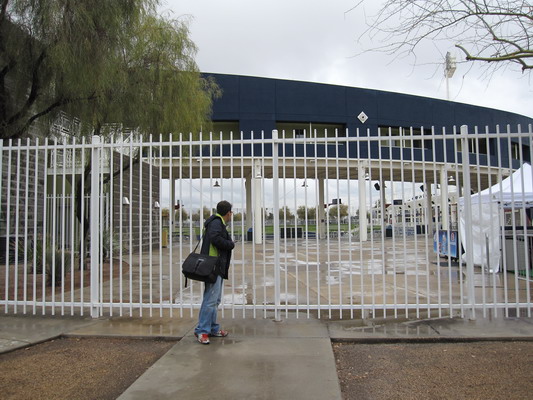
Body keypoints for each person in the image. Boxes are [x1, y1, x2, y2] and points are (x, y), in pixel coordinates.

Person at [194, 200, 235, 344]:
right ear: (228, 212)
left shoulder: (218, 223)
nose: (231, 215)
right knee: (211, 300)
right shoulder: (217, 223)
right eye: (231, 212)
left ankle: (212, 328)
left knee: (214, 300)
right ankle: (202, 331)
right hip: (213, 266)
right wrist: (230, 244)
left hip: (217, 266)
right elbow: (215, 238)